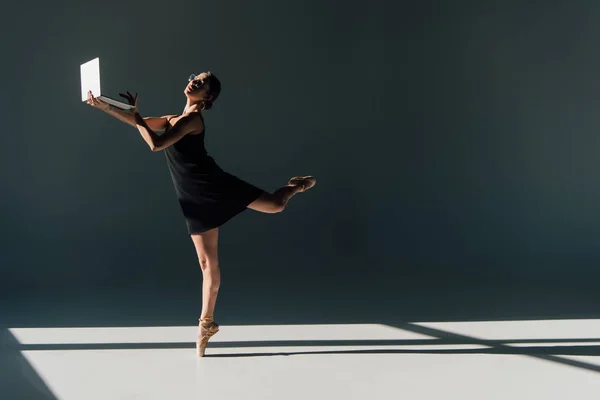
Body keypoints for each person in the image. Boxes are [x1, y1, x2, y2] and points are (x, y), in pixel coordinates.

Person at [86, 71, 316, 356]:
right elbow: (140, 124)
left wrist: (135, 114)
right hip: (193, 198)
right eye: (195, 77)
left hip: (215, 185)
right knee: (208, 265)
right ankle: (207, 322)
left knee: (275, 206)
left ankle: (295, 186)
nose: (195, 81)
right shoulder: (173, 118)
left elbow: (155, 143)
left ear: (207, 97)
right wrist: (107, 107)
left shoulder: (193, 119)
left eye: (203, 82)